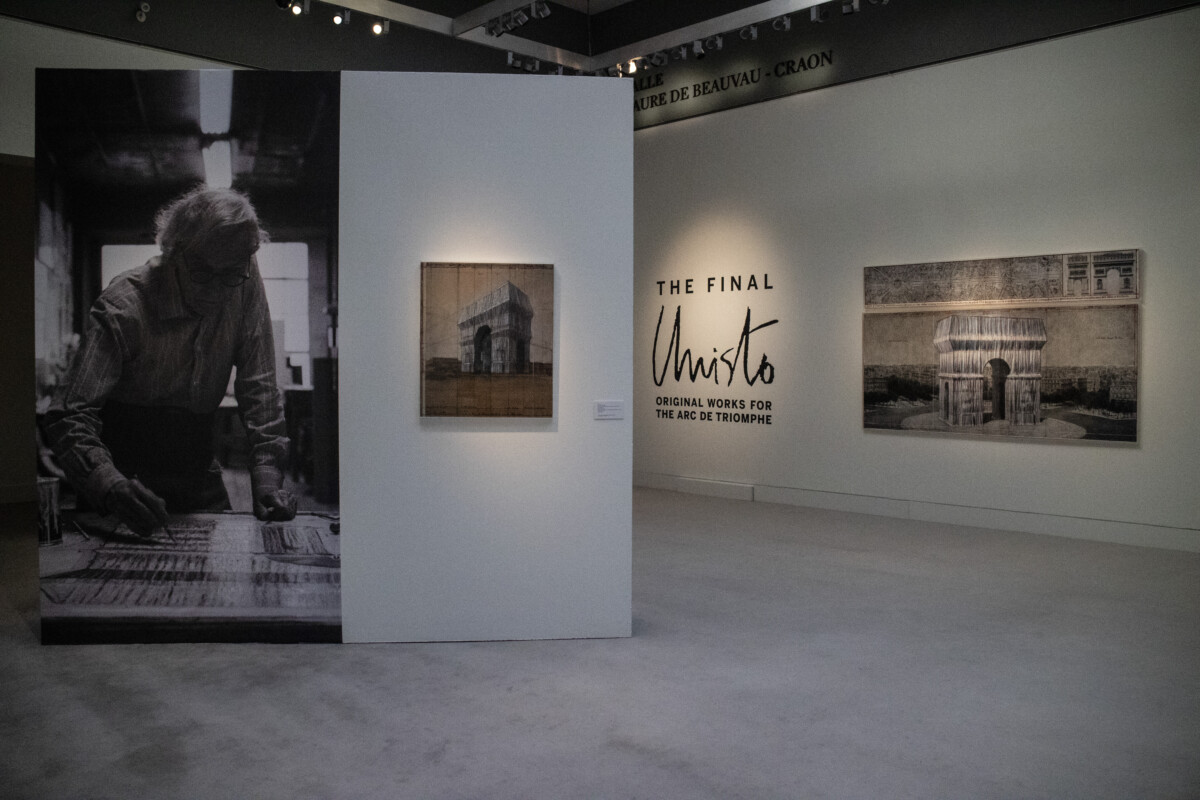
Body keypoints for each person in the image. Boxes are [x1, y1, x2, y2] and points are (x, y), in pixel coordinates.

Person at [43, 186, 297, 537]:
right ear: (173, 252)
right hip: (123, 472)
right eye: (202, 273)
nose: (216, 290)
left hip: (196, 469)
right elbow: (68, 415)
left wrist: (267, 480)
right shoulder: (123, 305)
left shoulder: (242, 277)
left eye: (229, 275)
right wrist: (108, 485)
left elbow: (262, 389)